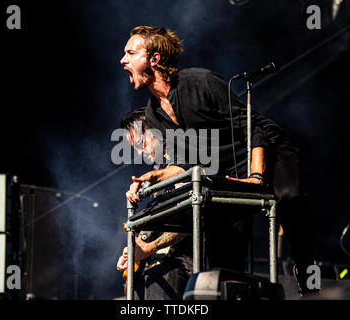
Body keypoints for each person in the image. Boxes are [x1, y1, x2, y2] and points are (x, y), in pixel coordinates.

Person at [120, 25, 316, 296]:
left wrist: (256, 178)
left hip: (267, 149)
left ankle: (308, 272)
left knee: (289, 198)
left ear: (154, 59)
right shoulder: (154, 115)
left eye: (131, 52)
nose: (123, 60)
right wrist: (151, 178)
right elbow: (186, 164)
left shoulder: (199, 81)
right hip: (226, 168)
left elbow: (252, 128)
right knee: (227, 252)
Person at [116, 107, 193, 300]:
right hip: (152, 266)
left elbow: (190, 220)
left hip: (177, 264)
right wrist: (133, 251)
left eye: (142, 143)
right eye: (135, 147)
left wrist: (148, 249)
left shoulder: (183, 160)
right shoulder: (157, 168)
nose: (140, 151)